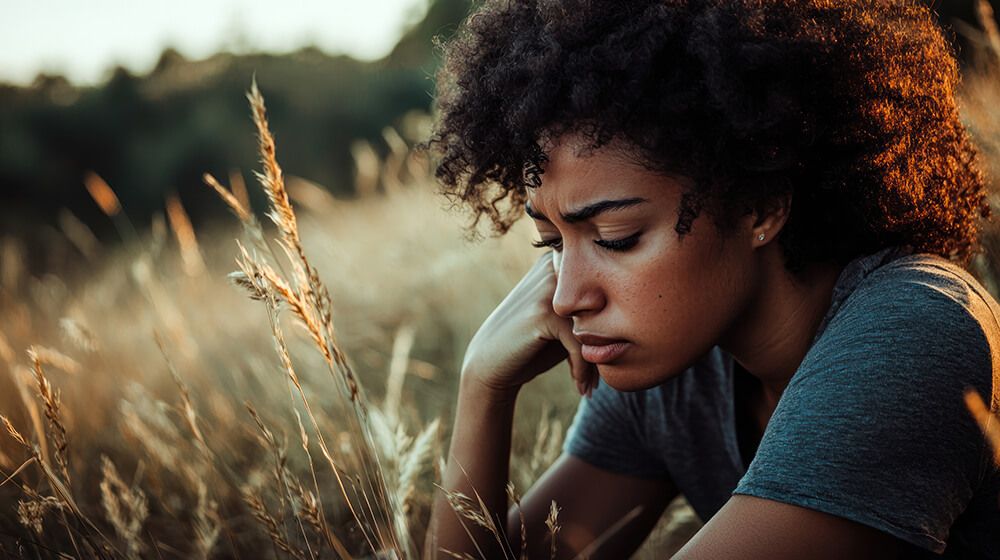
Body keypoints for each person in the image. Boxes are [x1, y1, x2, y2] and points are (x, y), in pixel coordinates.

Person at [423, 0, 1000, 558]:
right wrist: (483, 386)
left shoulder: (915, 332)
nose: (567, 296)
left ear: (759, 207)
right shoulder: (676, 366)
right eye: (551, 243)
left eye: (616, 237)